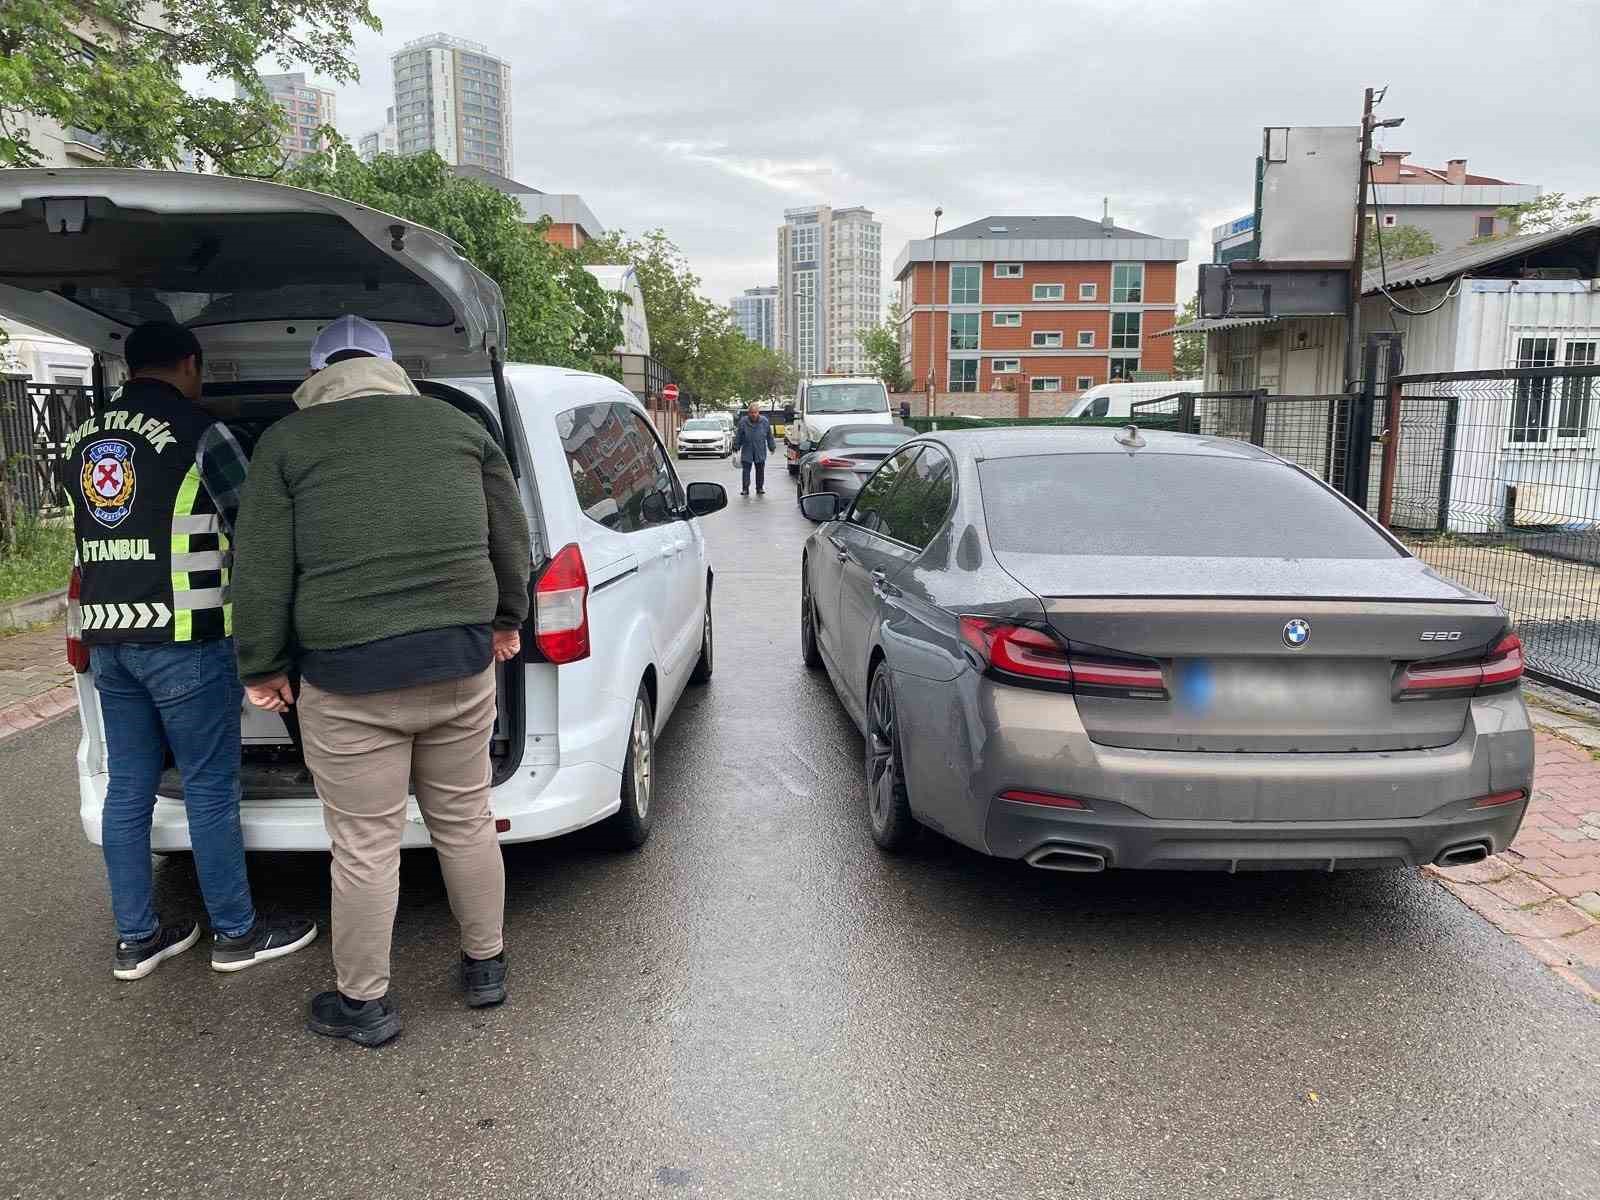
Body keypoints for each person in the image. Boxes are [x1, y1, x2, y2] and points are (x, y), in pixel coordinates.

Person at [231, 315, 531, 1048]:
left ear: (316, 376)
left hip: (348, 679)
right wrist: (504, 616)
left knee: (365, 844)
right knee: (464, 821)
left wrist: (262, 665)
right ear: (392, 369)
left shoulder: (286, 442)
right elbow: (509, 532)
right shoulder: (458, 426)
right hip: (460, 668)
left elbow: (263, 565)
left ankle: (365, 1005)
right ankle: (485, 968)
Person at [63, 320, 317, 981]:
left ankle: (137, 939)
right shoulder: (202, 433)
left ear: (128, 367)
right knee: (208, 788)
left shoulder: (84, 437)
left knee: (128, 789)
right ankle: (237, 933)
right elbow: (256, 525)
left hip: (110, 637)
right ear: (189, 364)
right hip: (186, 638)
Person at [735, 402, 775, 497]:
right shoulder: (743, 422)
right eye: (751, 412)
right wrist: (736, 446)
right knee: (746, 470)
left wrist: (771, 447)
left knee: (760, 470)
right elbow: (739, 435)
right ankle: (745, 489)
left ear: (758, 413)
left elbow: (769, 436)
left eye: (755, 412)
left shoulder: (764, 421)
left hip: (760, 449)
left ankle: (759, 488)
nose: (753, 414)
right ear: (748, 413)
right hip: (747, 449)